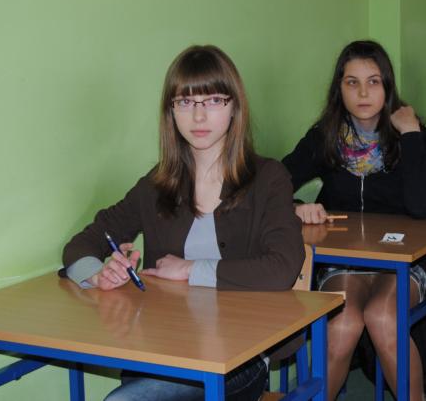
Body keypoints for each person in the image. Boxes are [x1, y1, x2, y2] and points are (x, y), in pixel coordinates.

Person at [62, 45, 304, 401]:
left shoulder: (268, 178)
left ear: (234, 106)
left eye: (214, 100)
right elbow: (83, 243)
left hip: (238, 360)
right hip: (165, 352)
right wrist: (98, 274)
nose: (199, 116)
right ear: (171, 111)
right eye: (185, 102)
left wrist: (190, 269)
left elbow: (282, 267)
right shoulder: (156, 185)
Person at [283, 40, 426, 401]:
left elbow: (421, 206)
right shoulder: (325, 137)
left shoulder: (412, 137)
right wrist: (295, 206)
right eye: (352, 82)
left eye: (373, 82)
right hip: (344, 262)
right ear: (339, 88)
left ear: (388, 86)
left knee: (383, 317)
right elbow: (275, 183)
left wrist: (410, 134)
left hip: (401, 263)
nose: (363, 93)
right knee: (342, 324)